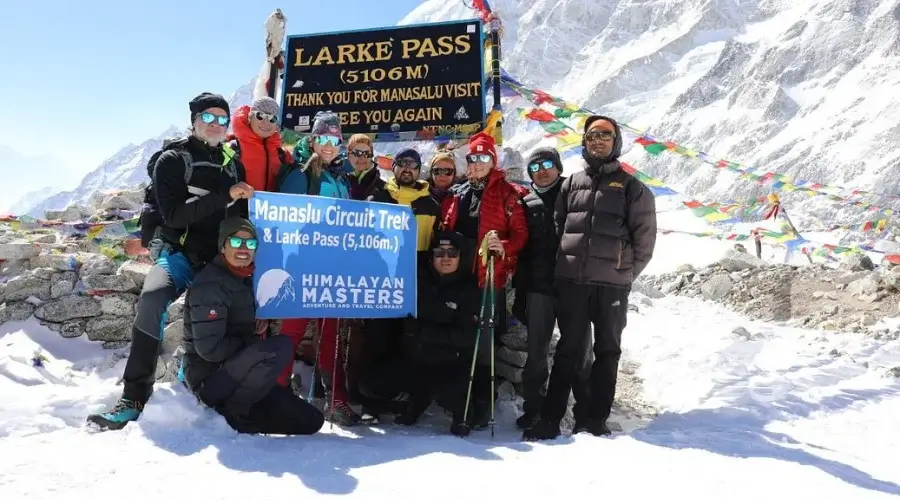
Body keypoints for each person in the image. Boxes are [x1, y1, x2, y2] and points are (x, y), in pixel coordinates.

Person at [86, 93, 253, 431]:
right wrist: (225, 195)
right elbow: (174, 215)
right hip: (180, 255)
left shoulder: (233, 162)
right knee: (152, 299)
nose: (217, 125)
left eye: (223, 119)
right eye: (209, 117)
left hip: (219, 262)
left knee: (240, 312)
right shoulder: (174, 160)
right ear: (194, 121)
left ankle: (208, 385)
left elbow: (241, 216)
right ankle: (133, 396)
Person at [524, 115, 657, 440]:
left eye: (605, 135)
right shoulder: (572, 184)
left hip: (612, 286)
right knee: (568, 350)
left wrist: (623, 273)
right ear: (584, 142)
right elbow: (560, 227)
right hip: (573, 283)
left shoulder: (633, 188)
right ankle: (550, 419)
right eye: (591, 136)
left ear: (616, 142)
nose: (597, 140)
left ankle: (594, 418)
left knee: (607, 351)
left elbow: (645, 240)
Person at [181, 217, 325, 435]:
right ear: (223, 246)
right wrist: (252, 341)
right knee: (281, 346)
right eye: (237, 242)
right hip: (209, 379)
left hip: (237, 375)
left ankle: (238, 412)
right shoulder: (211, 285)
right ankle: (233, 412)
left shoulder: (242, 278)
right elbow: (210, 350)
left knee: (311, 421)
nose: (244, 249)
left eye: (250, 244)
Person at [278, 111, 360, 425]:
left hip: (334, 266)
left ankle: (336, 401)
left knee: (330, 336)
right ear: (313, 139)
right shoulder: (301, 173)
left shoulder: (339, 176)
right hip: (302, 264)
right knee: (292, 333)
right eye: (323, 138)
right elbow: (283, 217)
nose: (328, 145)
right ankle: (279, 395)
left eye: (335, 140)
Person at [362, 232, 487, 435]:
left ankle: (462, 411)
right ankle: (416, 399)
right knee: (370, 384)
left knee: (449, 393)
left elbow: (467, 337)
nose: (445, 258)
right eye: (439, 253)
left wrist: (426, 333)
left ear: (461, 257)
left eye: (452, 253)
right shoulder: (416, 281)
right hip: (415, 361)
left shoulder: (469, 289)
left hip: (449, 364)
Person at [438, 131, 528, 345]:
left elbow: (521, 234)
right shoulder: (458, 192)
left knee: (487, 331)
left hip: (489, 274)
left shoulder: (508, 193)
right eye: (473, 158)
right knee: (458, 327)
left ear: (493, 161)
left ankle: (488, 376)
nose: (478, 163)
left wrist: (503, 245)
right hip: (458, 274)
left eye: (483, 158)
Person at [512, 147, 569, 430]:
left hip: (572, 287)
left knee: (578, 352)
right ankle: (534, 407)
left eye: (547, 164)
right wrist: (520, 293)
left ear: (558, 167)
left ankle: (578, 408)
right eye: (535, 167)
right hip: (537, 288)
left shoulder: (573, 193)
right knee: (536, 354)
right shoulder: (525, 201)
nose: (542, 170)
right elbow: (522, 252)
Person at [228, 96, 293, 192]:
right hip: (239, 206)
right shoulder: (232, 148)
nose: (266, 122)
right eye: (260, 116)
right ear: (250, 117)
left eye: (272, 119)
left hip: (271, 206)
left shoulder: (282, 154)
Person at [346, 133, 384, 201]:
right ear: (349, 155)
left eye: (367, 154)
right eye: (357, 153)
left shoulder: (380, 185)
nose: (362, 158)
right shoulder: (338, 179)